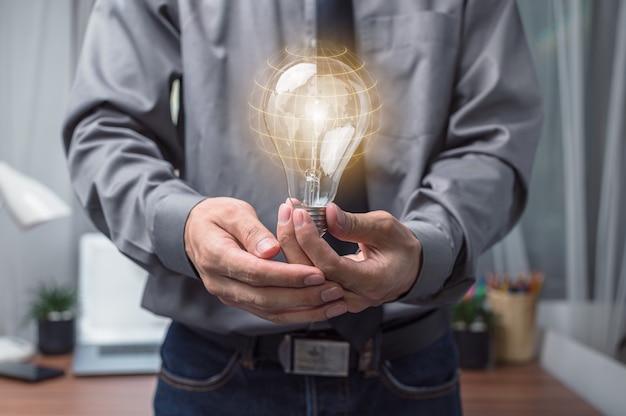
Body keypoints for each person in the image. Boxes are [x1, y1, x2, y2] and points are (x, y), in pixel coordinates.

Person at [62, 0, 542, 414]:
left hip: (408, 369)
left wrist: (426, 246)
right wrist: (184, 227)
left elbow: (493, 139)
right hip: (217, 372)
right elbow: (107, 127)